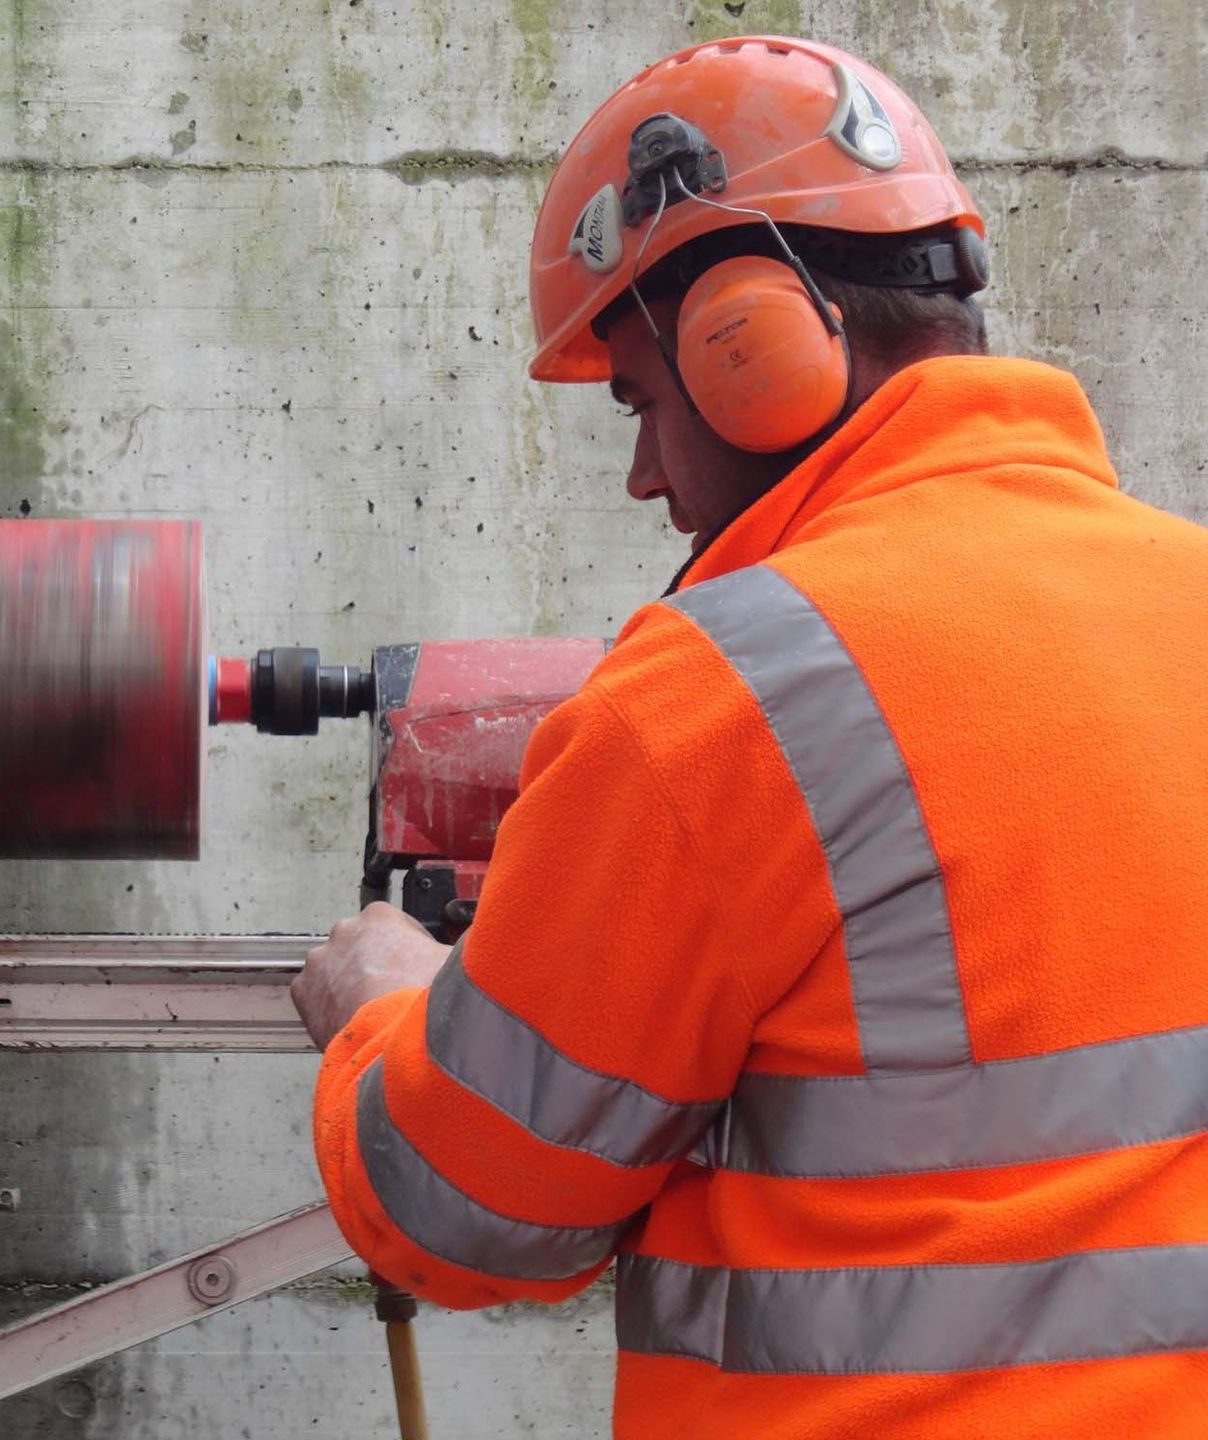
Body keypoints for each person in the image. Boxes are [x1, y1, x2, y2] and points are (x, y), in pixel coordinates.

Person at [292, 34, 1208, 1439]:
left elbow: (468, 1210)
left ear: (751, 342)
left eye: (644, 402)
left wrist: (379, 1007)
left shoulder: (723, 699)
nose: (649, 473)